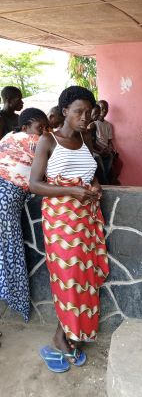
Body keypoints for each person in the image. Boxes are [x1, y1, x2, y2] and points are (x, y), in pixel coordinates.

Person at [30, 86, 109, 373]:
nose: (86, 117)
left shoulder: (86, 138)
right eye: (79, 112)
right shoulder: (48, 141)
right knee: (69, 278)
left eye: (88, 112)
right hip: (61, 223)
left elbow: (91, 175)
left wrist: (94, 186)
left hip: (86, 219)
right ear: (64, 111)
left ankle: (65, 334)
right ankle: (63, 336)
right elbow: (35, 184)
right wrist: (72, 191)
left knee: (84, 278)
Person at [0, 108, 48, 346]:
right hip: (5, 207)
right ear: (27, 125)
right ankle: (13, 298)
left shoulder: (7, 138)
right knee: (10, 257)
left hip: (6, 204)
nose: (44, 132)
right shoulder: (31, 141)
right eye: (41, 127)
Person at [94, 100, 115, 184]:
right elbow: (93, 141)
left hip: (106, 148)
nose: (104, 111)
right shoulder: (94, 123)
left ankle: (105, 178)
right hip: (97, 149)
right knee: (98, 157)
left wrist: (110, 148)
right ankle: (104, 181)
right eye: (101, 108)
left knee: (110, 156)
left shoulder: (108, 125)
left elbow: (110, 141)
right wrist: (101, 150)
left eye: (106, 109)